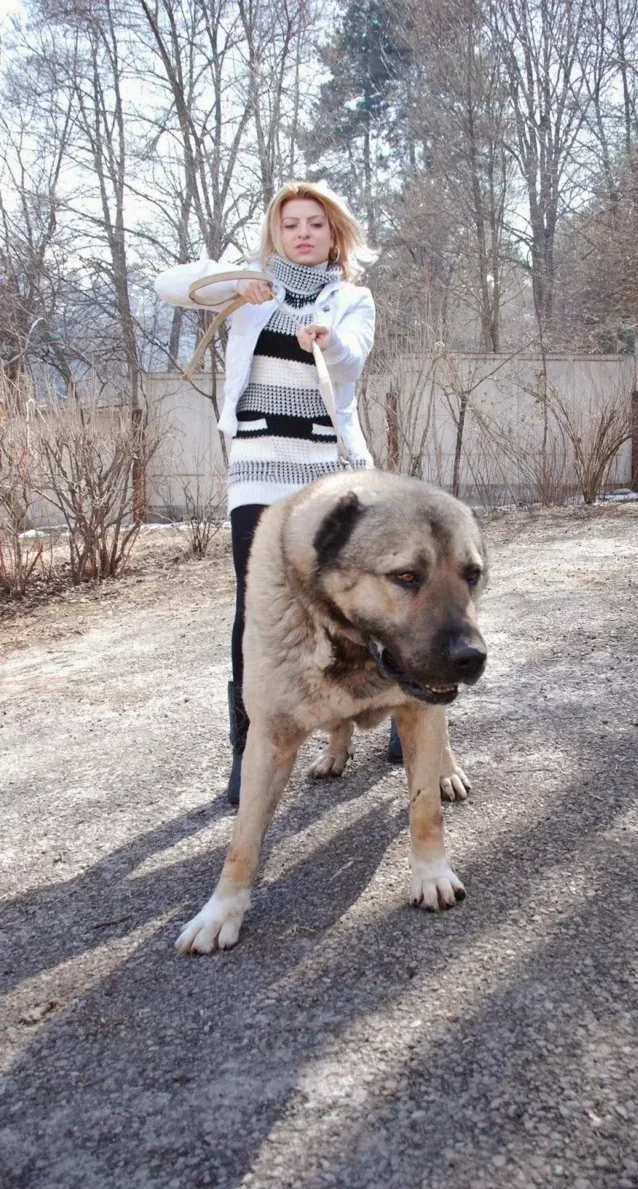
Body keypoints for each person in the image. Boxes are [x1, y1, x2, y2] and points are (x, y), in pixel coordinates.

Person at [154, 180, 403, 804]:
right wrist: (237, 284)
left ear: (333, 234)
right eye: (291, 223)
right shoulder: (248, 291)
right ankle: (248, 752)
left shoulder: (352, 299)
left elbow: (351, 362)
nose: (303, 233)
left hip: (329, 467)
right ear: (276, 232)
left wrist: (327, 337)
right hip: (258, 470)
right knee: (257, 614)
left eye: (315, 224)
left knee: (361, 600)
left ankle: (405, 706)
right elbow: (171, 284)